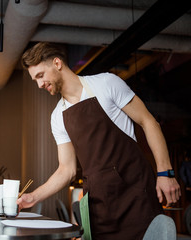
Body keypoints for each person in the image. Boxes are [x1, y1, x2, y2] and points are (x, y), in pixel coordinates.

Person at [17, 42, 181, 240]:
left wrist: (165, 172)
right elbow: (66, 169)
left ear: (57, 63)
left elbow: (148, 121)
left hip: (136, 194)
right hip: (100, 207)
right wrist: (32, 197)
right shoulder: (57, 116)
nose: (39, 85)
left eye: (40, 76)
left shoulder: (105, 83)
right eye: (35, 80)